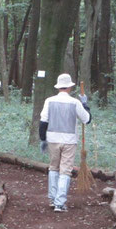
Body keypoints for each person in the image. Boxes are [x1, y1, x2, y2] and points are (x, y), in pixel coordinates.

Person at [39, 73, 91, 212]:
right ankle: (59, 203)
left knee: (53, 168)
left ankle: (52, 198)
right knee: (65, 171)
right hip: (69, 141)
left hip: (52, 139)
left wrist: (43, 139)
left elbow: (43, 121)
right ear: (69, 87)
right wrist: (85, 104)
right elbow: (87, 119)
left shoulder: (49, 101)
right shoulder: (75, 102)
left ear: (58, 87)